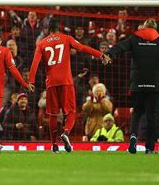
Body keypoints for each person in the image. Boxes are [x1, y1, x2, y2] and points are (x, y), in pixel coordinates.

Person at [29, 19, 109, 153]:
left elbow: (35, 63)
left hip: (51, 82)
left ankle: (54, 145)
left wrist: (30, 81)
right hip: (66, 81)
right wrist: (100, 55)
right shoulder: (66, 38)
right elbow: (83, 48)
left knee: (53, 115)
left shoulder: (42, 43)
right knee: (71, 111)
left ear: (48, 30)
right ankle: (65, 133)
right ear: (59, 28)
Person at [105, 19, 159, 154]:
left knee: (137, 112)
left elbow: (119, 47)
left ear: (145, 28)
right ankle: (149, 148)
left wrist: (108, 54)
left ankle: (133, 136)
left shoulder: (134, 39)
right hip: (155, 82)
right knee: (152, 115)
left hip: (138, 82)